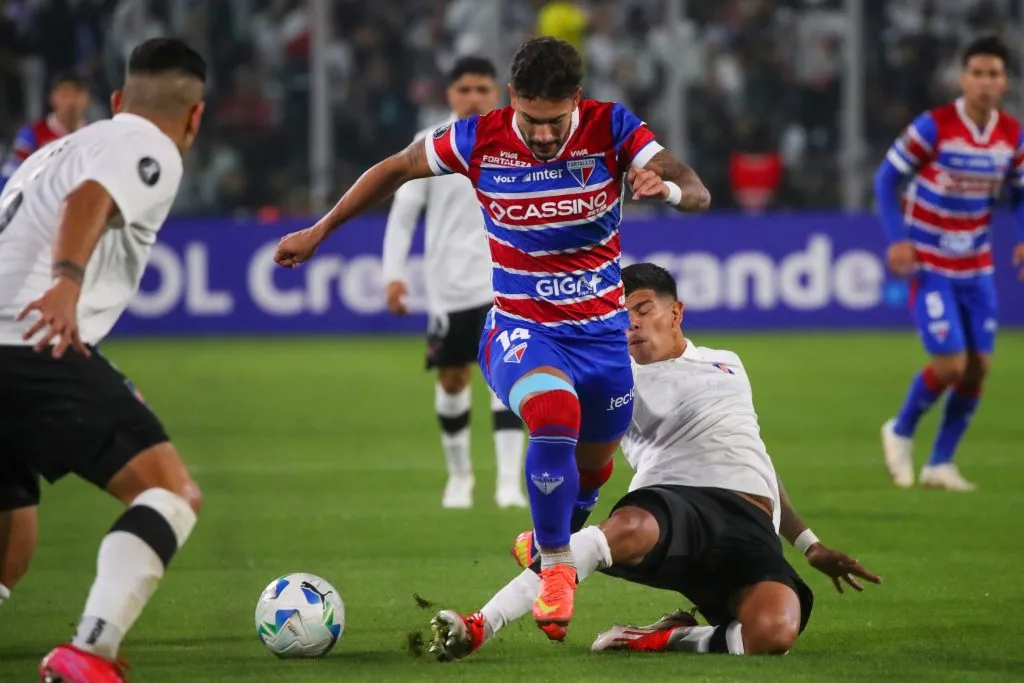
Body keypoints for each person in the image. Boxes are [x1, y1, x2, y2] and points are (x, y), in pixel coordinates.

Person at [274, 36, 711, 639]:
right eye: (530, 120)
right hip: (519, 328)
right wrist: (320, 230)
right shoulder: (478, 137)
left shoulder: (613, 128)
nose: (541, 136)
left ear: (576, 102)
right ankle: (557, 564)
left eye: (555, 122)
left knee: (593, 472)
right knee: (553, 413)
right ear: (512, 101)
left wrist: (664, 190)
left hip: (601, 338)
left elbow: (697, 189)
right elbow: (398, 167)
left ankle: (543, 535)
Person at [428, 263, 880, 660]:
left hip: (750, 525)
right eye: (621, 315)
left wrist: (809, 544)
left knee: (774, 632)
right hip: (674, 503)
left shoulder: (729, 363)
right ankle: (480, 625)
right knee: (621, 531)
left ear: (676, 313)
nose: (631, 323)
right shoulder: (614, 378)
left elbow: (753, 457)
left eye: (642, 309)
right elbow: (567, 436)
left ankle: (662, 637)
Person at [0, 38, 205, 683]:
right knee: (169, 492)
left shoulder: (55, 149)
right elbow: (89, 198)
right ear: (195, 117)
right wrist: (65, 280)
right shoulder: (150, 145)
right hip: (32, 342)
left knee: (12, 541)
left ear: (116, 100)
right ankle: (88, 653)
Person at [875, 35, 1024, 492]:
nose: (984, 82)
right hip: (929, 261)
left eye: (993, 74)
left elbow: (1018, 194)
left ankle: (941, 463)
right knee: (951, 364)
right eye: (976, 73)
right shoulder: (934, 126)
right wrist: (898, 239)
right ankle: (899, 430)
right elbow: (887, 180)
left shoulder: (1012, 135)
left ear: (1004, 81)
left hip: (975, 265)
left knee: (980, 366)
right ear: (963, 79)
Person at [382, 56, 527, 510]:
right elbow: (403, 214)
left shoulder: (517, 142)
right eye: (464, 89)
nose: (473, 97)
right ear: (450, 94)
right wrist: (393, 275)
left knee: (507, 380)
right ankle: (460, 477)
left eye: (482, 89)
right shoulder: (429, 145)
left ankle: (507, 484)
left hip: (506, 283)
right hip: (447, 287)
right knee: (452, 378)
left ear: (498, 93)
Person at [0, 72, 90, 192]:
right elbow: (9, 174)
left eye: (77, 94)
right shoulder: (32, 133)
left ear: (87, 98)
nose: (71, 102)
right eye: (65, 95)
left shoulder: (93, 135)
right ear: (52, 98)